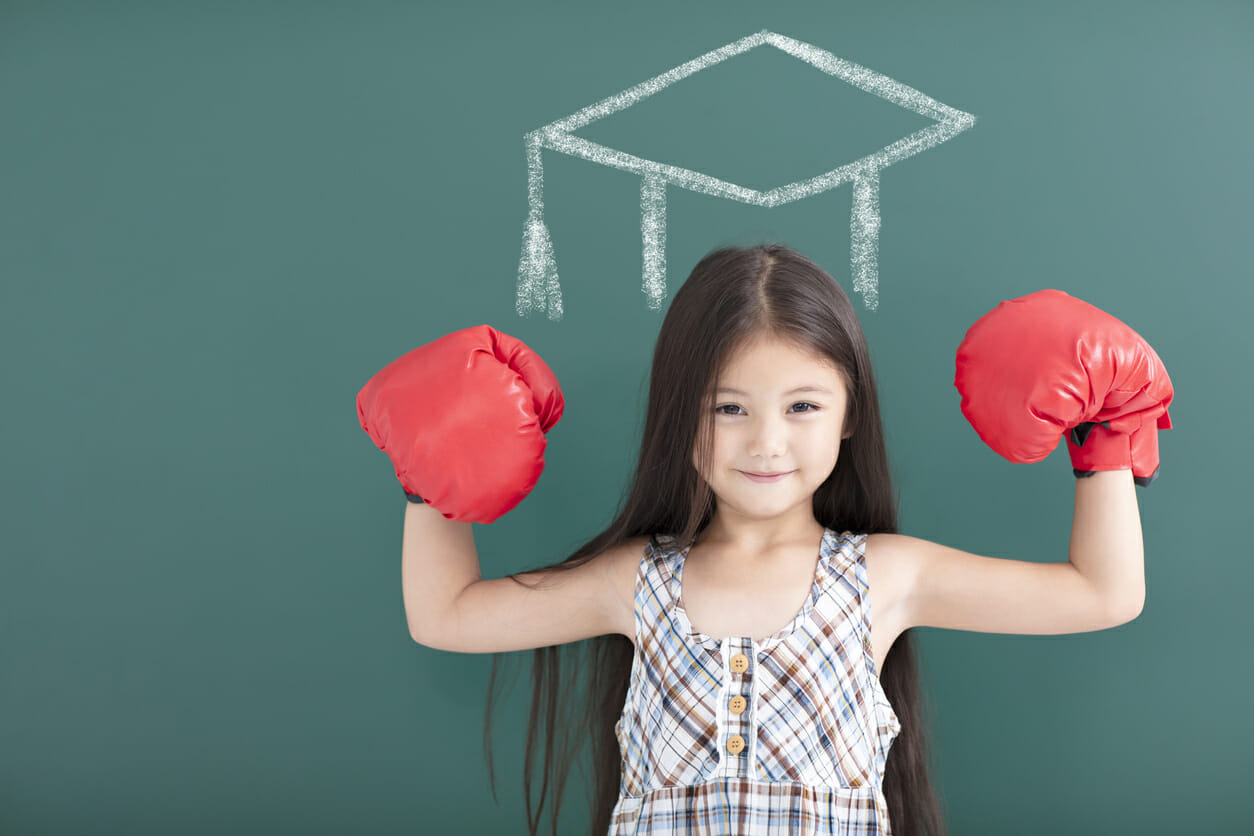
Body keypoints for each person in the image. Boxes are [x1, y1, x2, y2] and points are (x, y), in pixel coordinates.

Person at [357, 243, 1172, 836]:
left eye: (804, 406)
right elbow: (448, 616)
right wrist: (433, 474)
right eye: (728, 407)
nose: (766, 443)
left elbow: (1103, 593)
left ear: (850, 414)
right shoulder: (636, 581)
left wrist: (1109, 435)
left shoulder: (883, 577)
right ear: (683, 416)